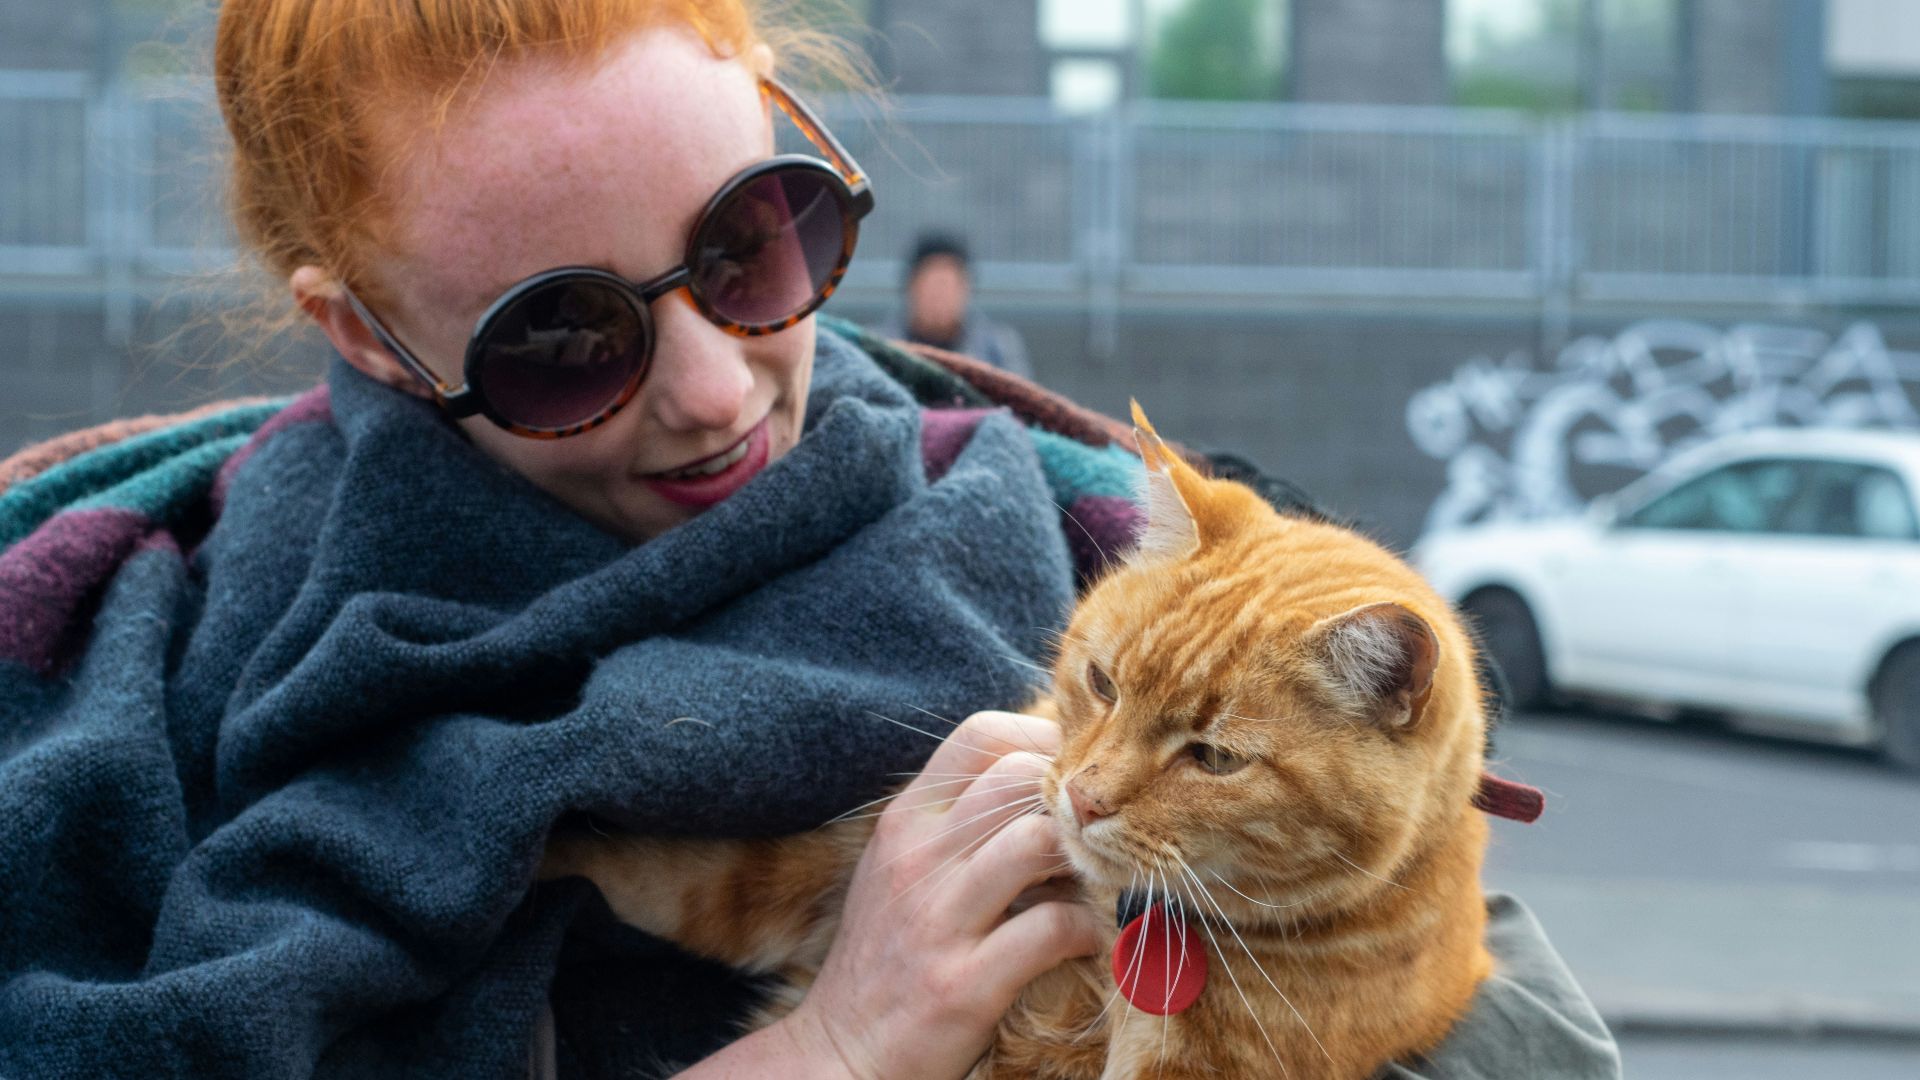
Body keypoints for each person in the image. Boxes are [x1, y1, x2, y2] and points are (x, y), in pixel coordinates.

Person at [0, 3, 1620, 1078]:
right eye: (562, 337)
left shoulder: (1116, 527)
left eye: (755, 241)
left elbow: (1529, 1033)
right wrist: (838, 1043)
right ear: (359, 333)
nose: (716, 393)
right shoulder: (120, 678)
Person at [883, 231, 1034, 379]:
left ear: (966, 288)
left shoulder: (997, 348)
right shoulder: (880, 347)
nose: (939, 295)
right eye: (932, 285)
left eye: (948, 285)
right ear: (911, 286)